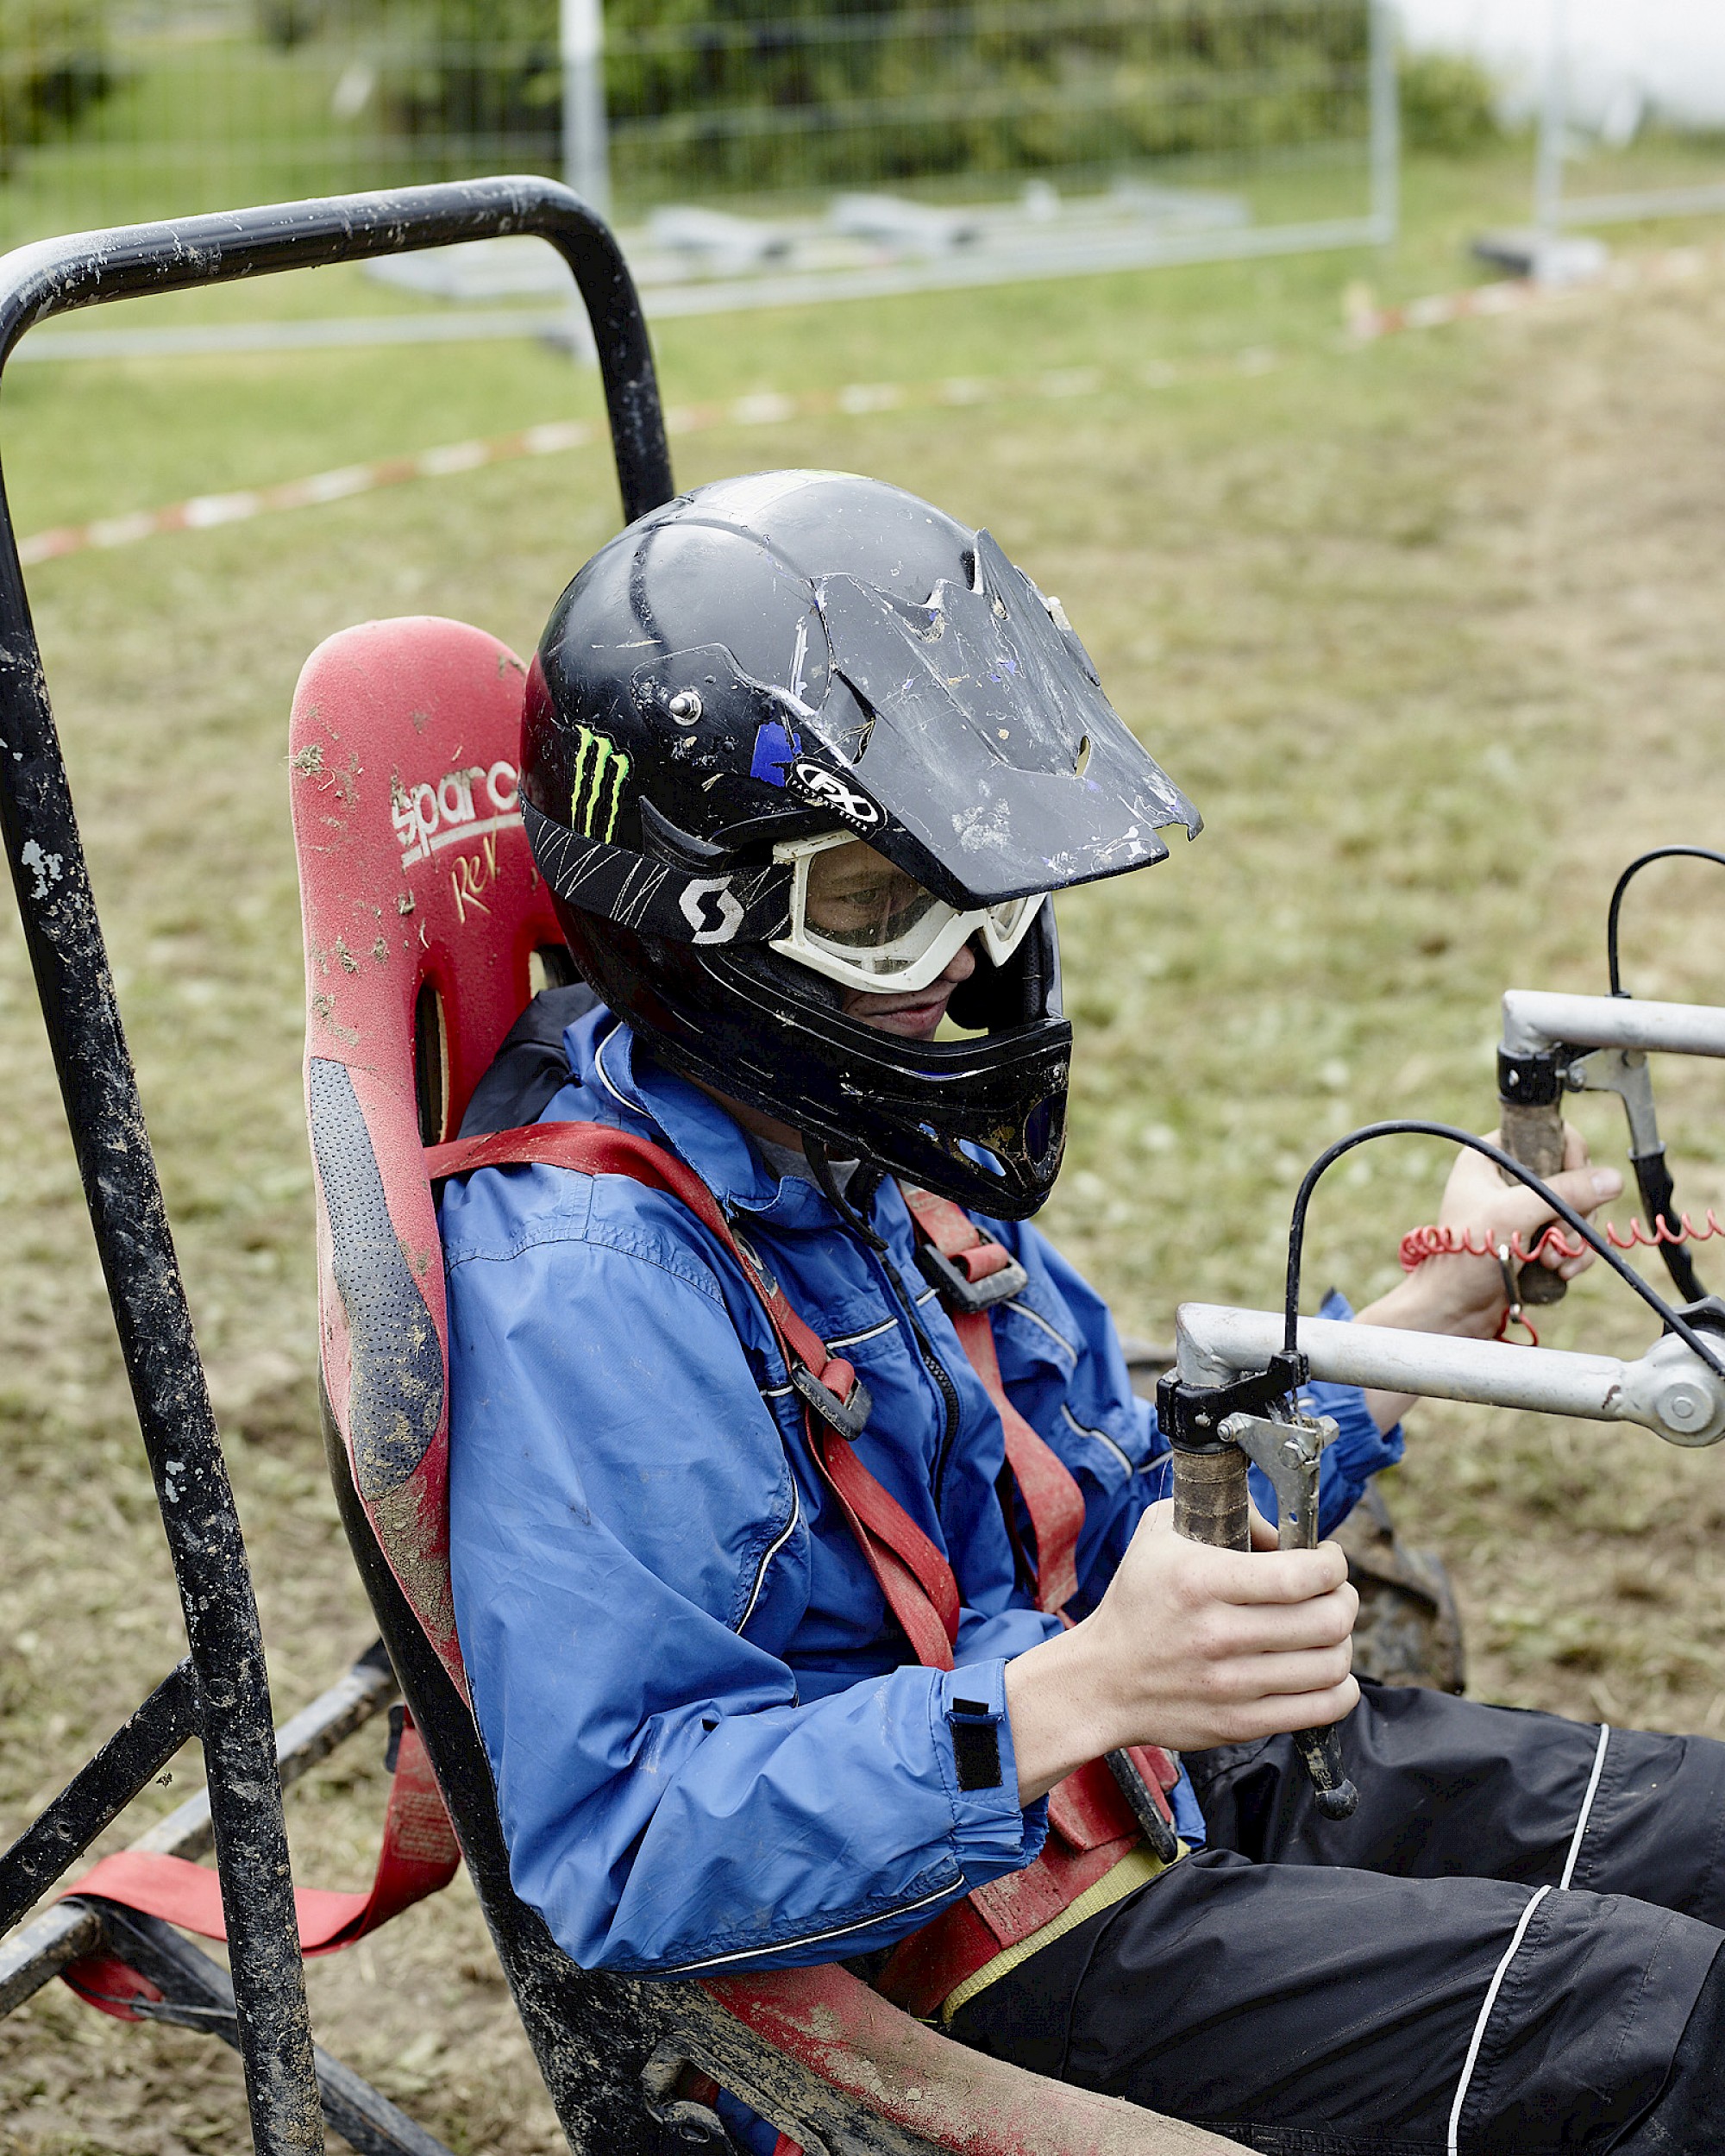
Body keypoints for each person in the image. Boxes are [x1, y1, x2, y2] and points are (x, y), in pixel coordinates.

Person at [441, 471, 1725, 2154]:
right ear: (698, 914)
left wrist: (1427, 1312)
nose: (971, 961)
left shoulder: (873, 1128)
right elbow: (626, 1852)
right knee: (1668, 2023)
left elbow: (1117, 1513)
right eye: (874, 901)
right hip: (977, 1940)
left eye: (976, 880)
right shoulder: (597, 1281)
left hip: (1159, 1774)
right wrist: (1067, 1697)